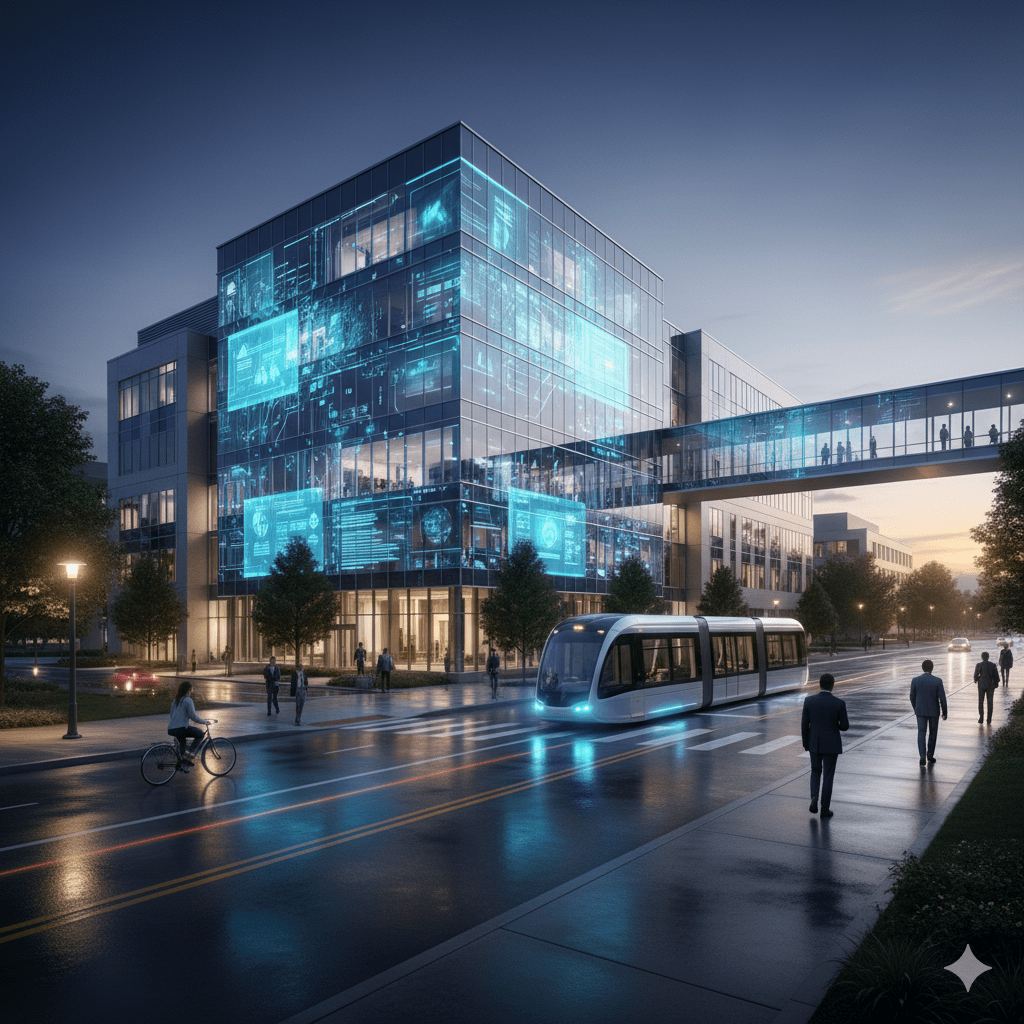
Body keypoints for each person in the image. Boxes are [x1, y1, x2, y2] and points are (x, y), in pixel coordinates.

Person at [801, 673, 849, 819]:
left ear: (820, 684)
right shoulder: (839, 703)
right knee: (828, 776)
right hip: (831, 744)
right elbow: (845, 726)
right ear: (832, 685)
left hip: (814, 743)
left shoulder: (809, 701)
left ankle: (814, 796)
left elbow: (804, 725)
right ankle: (825, 809)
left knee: (815, 771)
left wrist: (806, 743)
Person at [910, 659, 947, 766]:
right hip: (934, 711)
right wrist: (944, 712)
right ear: (932, 668)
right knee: (933, 733)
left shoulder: (915, 680)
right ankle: (930, 755)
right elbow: (942, 699)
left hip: (920, 710)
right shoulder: (937, 681)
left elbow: (912, 696)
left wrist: (916, 707)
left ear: (922, 668)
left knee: (921, 733)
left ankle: (922, 756)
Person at [167, 680, 211, 766]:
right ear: (188, 690)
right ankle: (191, 752)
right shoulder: (188, 700)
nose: (191, 692)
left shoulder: (176, 700)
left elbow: (171, 715)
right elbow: (193, 717)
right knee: (200, 734)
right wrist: (204, 722)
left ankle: (181, 764)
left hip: (171, 728)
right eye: (191, 690)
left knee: (183, 743)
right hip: (181, 728)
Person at [974, 651, 999, 725]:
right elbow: (996, 676)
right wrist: (996, 684)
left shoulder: (979, 665)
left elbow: (975, 676)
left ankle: (981, 718)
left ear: (982, 657)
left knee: (981, 702)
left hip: (981, 685)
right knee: (990, 702)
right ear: (988, 657)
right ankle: (989, 719)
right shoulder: (993, 665)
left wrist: (977, 679)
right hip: (990, 686)